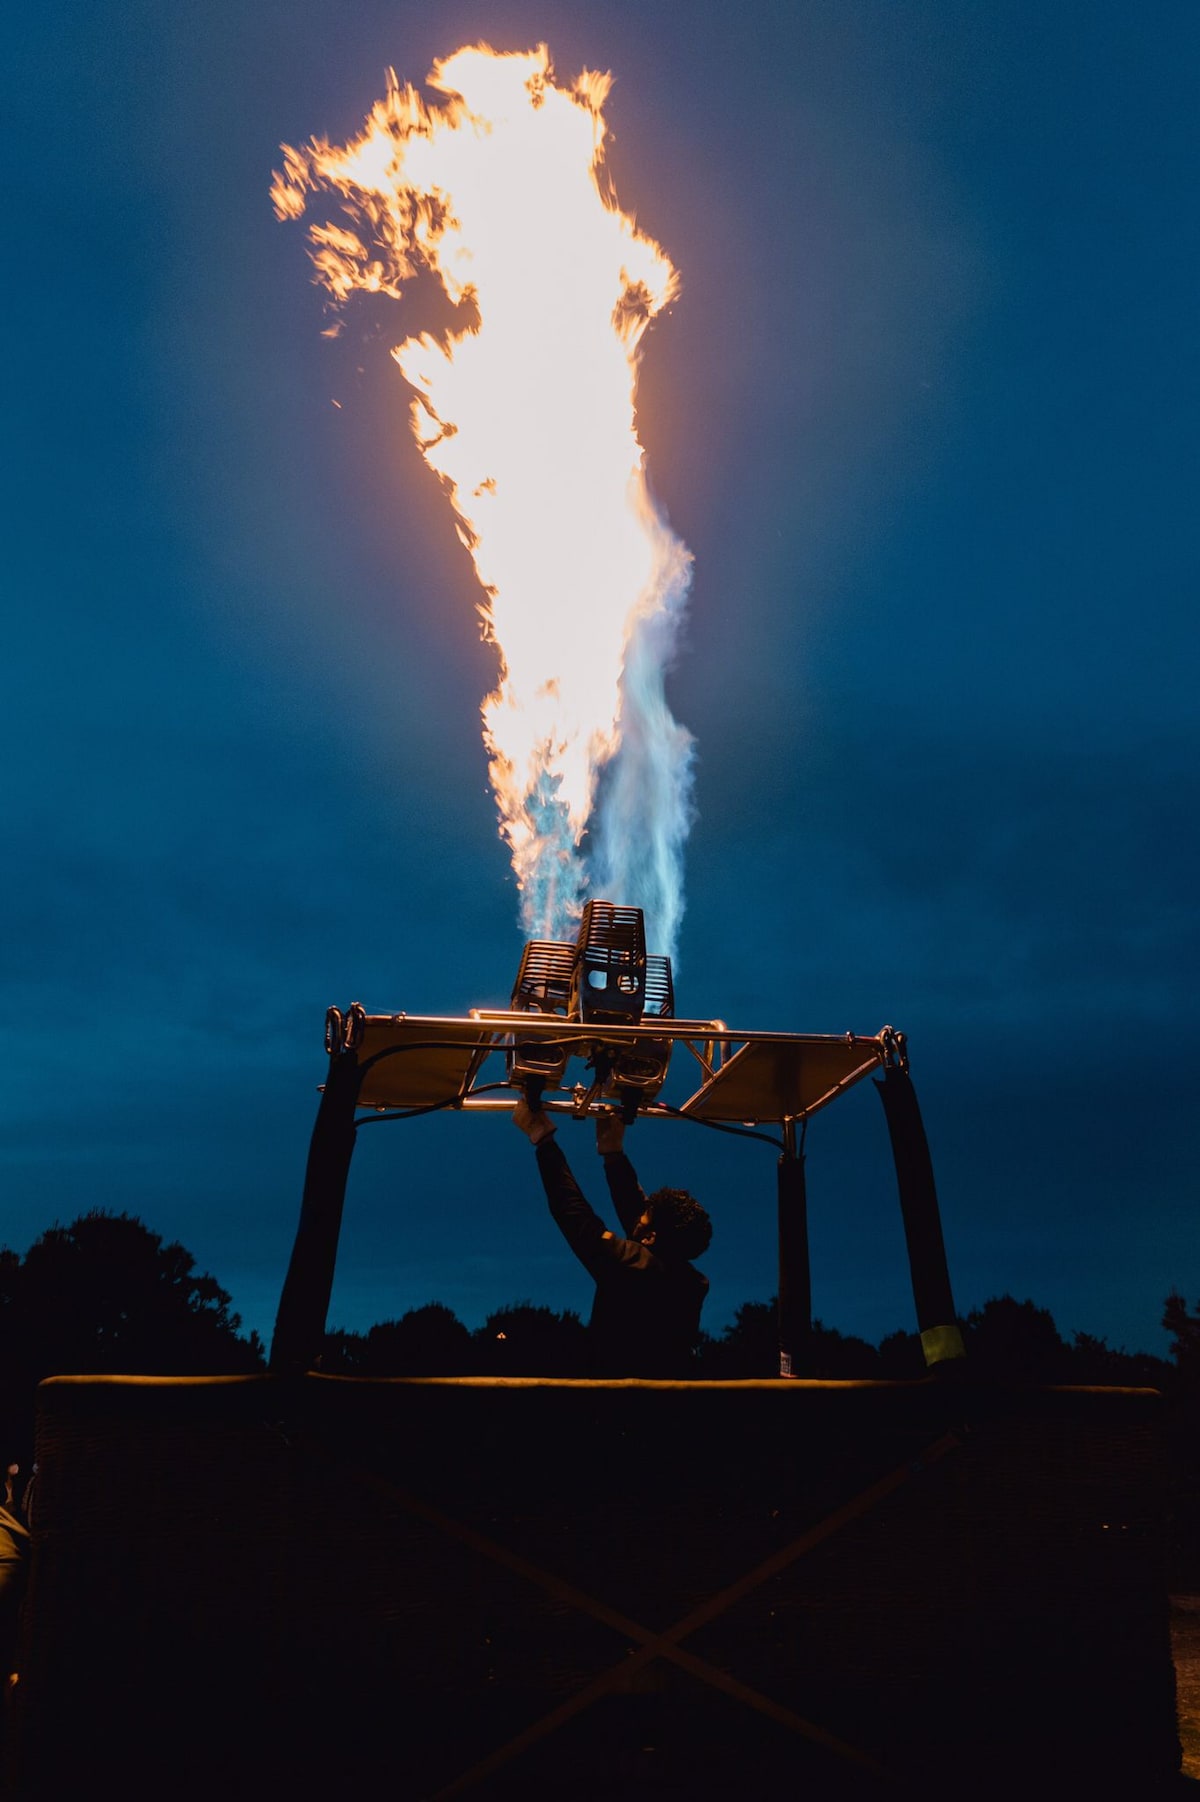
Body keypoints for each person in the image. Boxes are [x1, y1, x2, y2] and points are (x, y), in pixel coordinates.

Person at [512, 1095, 712, 1377]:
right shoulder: (690, 1282)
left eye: (645, 1217)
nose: (638, 1218)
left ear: (652, 1237)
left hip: (616, 1404)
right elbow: (641, 1224)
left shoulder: (633, 1269)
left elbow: (575, 1216)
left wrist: (542, 1138)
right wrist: (613, 1152)